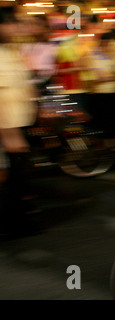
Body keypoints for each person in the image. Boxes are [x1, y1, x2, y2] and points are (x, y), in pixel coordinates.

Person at [0, 6, 38, 237]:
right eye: (13, 23)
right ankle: (12, 226)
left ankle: (17, 222)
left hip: (16, 126)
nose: (17, 28)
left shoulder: (10, 51)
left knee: (17, 180)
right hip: (8, 129)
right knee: (12, 181)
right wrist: (10, 135)